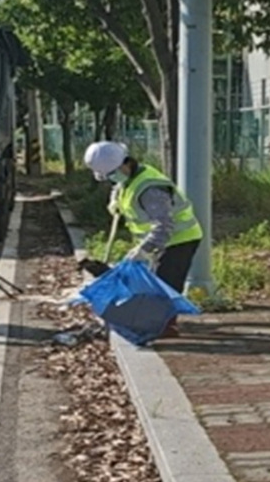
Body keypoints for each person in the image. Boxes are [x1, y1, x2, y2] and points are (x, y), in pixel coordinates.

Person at [83, 141, 203, 336]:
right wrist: (115, 200)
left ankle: (165, 327)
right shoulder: (130, 177)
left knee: (165, 284)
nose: (112, 179)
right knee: (152, 282)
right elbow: (122, 187)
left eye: (112, 174)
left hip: (180, 239)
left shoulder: (150, 190)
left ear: (125, 164)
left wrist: (145, 249)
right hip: (160, 240)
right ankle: (156, 321)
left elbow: (164, 226)